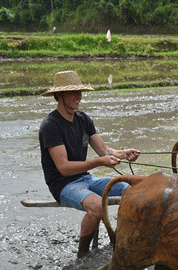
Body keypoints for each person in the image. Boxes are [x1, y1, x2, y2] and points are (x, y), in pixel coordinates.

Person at [39, 70, 140, 258]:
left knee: (130, 189)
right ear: (59, 95)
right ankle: (83, 255)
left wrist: (124, 153)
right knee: (96, 207)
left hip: (86, 178)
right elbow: (64, 167)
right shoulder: (51, 125)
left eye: (80, 92)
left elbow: (104, 151)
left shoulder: (83, 119)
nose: (79, 97)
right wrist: (97, 162)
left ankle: (118, 239)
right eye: (74, 92)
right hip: (63, 184)